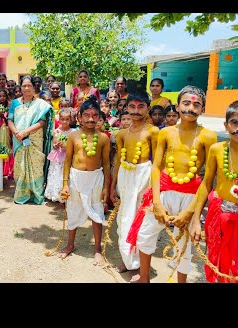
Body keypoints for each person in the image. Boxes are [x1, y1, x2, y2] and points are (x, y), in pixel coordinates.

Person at [127, 85, 216, 283]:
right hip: (165, 191)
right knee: (144, 235)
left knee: (183, 245)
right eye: (186, 103)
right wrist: (157, 202)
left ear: (203, 109)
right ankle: (144, 278)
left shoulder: (208, 136)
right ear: (177, 106)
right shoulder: (166, 132)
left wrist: (190, 212)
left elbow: (208, 179)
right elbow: (156, 167)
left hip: (191, 195)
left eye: (196, 104)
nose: (190, 108)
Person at [110, 90, 159, 276]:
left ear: (147, 108)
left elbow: (157, 164)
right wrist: (113, 186)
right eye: (132, 106)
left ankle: (139, 264)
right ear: (126, 108)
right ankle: (128, 260)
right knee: (124, 220)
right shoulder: (122, 133)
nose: (136, 110)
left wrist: (155, 192)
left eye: (140, 107)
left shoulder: (153, 131)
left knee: (140, 220)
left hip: (143, 177)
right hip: (125, 175)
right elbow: (118, 163)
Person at [189, 100, 238, 283]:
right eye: (234, 122)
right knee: (217, 261)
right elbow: (206, 184)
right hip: (219, 216)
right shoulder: (218, 150)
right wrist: (196, 220)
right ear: (226, 125)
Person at [59, 96, 110, 264]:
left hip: (96, 178)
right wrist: (65, 184)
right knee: (73, 210)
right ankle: (70, 244)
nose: (90, 119)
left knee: (97, 212)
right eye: (86, 115)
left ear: (99, 118)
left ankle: (97, 250)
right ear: (79, 117)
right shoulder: (73, 136)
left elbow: (106, 163)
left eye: (94, 115)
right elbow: (67, 161)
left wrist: (106, 188)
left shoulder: (103, 138)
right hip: (76, 178)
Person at [7, 75, 54, 205]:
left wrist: (25, 132)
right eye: (24, 86)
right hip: (18, 139)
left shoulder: (40, 104)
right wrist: (17, 132)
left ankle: (36, 195)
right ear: (20, 87)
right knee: (21, 167)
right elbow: (10, 120)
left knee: (36, 166)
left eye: (29, 86)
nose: (26, 88)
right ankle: (22, 194)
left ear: (34, 88)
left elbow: (42, 122)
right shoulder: (15, 103)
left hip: (35, 139)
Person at [44, 108, 75, 204]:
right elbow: (54, 143)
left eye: (67, 119)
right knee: (57, 173)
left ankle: (66, 193)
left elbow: (74, 145)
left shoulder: (73, 132)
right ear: (59, 120)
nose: (64, 121)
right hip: (58, 156)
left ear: (71, 120)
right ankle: (55, 193)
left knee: (66, 174)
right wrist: (56, 145)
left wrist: (66, 146)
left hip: (68, 155)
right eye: (62, 119)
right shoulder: (56, 131)